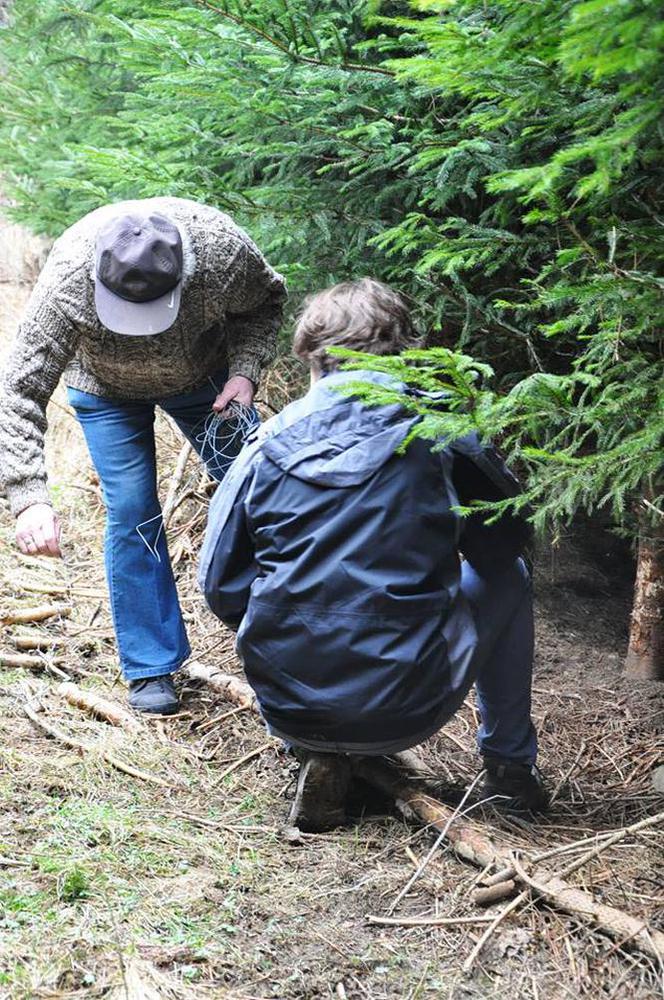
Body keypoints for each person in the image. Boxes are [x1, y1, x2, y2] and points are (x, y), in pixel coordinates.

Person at [199, 278, 548, 830]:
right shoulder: (439, 431)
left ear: (312, 360)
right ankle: (510, 769)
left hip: (290, 706)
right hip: (406, 704)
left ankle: (315, 747)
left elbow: (219, 587)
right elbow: (502, 547)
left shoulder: (265, 445)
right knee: (512, 578)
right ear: (406, 354)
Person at [0, 196, 286, 715]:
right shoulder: (66, 278)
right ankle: (152, 666)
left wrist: (245, 370)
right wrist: (29, 498)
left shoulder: (221, 251)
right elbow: (17, 391)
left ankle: (286, 640)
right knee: (132, 512)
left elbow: (265, 302)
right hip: (104, 391)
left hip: (210, 382)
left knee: (264, 495)